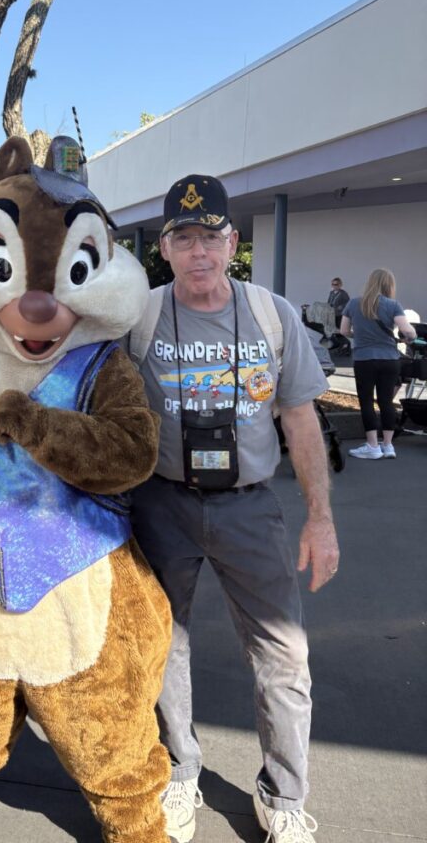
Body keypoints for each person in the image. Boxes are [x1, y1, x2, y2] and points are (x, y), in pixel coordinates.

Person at [128, 175, 339, 843]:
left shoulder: (272, 314)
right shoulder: (138, 316)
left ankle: (284, 793)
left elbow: (301, 420)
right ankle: (178, 774)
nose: (199, 252)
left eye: (210, 237)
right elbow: (54, 351)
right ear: (164, 246)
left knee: (283, 653)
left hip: (251, 507)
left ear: (232, 242)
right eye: (183, 238)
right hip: (162, 503)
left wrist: (320, 517)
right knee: (164, 647)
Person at [340, 268, 416, 460]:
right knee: (386, 401)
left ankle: (372, 446)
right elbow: (408, 331)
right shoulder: (393, 305)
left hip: (364, 359)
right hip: (389, 359)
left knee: (366, 401)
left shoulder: (354, 303)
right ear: (389, 285)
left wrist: (360, 334)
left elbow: (343, 331)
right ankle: (388, 445)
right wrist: (409, 338)